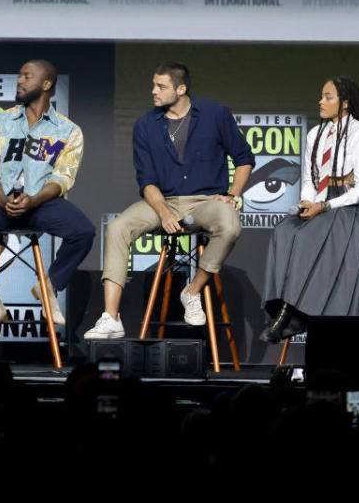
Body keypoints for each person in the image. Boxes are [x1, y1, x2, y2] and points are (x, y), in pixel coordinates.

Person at [85, 62, 254, 339]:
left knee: (230, 223)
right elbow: (147, 181)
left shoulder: (215, 114)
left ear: (181, 89)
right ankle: (111, 318)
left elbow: (244, 158)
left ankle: (192, 291)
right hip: (162, 201)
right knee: (117, 228)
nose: (154, 91)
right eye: (154, 85)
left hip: (205, 201)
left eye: (161, 86)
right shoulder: (145, 125)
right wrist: (163, 212)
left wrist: (233, 195)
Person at [0, 60, 95, 338]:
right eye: (19, 76)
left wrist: (32, 201)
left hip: (40, 201)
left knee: (83, 231)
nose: (19, 81)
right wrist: (1, 199)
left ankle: (49, 285)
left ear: (46, 85)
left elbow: (62, 178)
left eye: (27, 76)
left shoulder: (69, 131)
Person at [259, 77, 359, 342]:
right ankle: (284, 309)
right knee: (284, 231)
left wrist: (324, 206)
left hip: (350, 208)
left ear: (345, 103)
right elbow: (308, 179)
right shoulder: (316, 134)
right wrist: (307, 202)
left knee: (306, 236)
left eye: (328, 97)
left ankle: (291, 315)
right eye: (321, 96)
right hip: (319, 205)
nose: (320, 102)